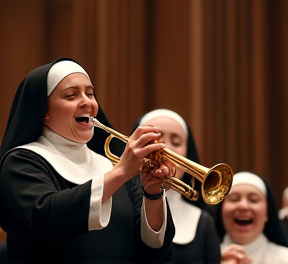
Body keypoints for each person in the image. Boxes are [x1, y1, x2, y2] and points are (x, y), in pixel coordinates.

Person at [0, 58, 175, 264]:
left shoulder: (113, 164)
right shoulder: (21, 162)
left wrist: (152, 193)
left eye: (90, 94)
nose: (88, 102)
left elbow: (153, 249)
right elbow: (48, 218)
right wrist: (121, 172)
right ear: (44, 111)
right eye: (71, 95)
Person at [132, 109, 221, 264]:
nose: (165, 148)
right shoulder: (120, 204)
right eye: (154, 140)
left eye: (177, 142)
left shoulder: (204, 221)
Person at [215, 171, 288, 264]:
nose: (243, 206)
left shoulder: (285, 259)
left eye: (253, 200)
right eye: (234, 199)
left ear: (267, 213)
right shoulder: (204, 257)